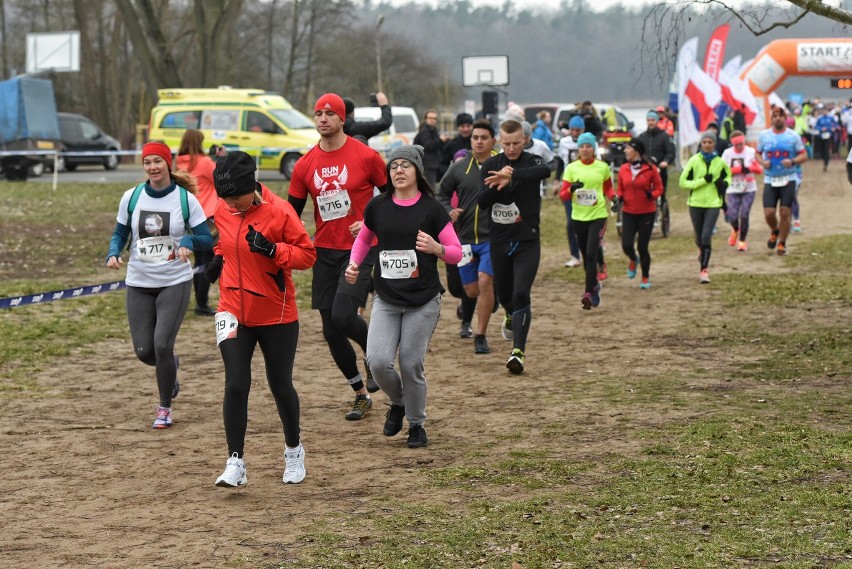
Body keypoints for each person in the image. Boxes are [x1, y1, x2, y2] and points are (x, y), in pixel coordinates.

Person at [206, 152, 317, 488]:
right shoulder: (223, 209)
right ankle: (235, 463)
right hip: (232, 309)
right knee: (236, 383)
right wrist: (216, 260)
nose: (230, 205)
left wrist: (273, 251)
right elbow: (226, 244)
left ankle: (293, 450)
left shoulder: (280, 211)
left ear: (251, 187)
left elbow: (307, 255)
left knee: (280, 384)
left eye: (235, 198)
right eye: (224, 199)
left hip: (276, 313)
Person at [345, 145, 462, 448]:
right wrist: (355, 263)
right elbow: (365, 239)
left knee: (410, 364)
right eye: (393, 165)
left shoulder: (432, 209)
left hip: (422, 301)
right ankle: (398, 402)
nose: (398, 170)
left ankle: (417, 425)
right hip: (386, 298)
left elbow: (457, 253)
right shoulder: (378, 206)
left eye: (405, 165)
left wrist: (437, 249)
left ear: (417, 172)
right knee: (379, 360)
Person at [288, 93, 387, 420]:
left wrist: (372, 222)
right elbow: (290, 211)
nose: (323, 118)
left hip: (360, 248)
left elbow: (392, 198)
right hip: (325, 251)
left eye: (330, 113)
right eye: (318, 113)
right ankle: (360, 393)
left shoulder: (366, 156)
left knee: (344, 316)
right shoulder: (304, 164)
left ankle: (373, 358)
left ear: (343, 118)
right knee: (330, 329)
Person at [105, 141, 213, 428]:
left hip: (174, 281)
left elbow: (206, 237)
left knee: (162, 344)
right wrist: (113, 251)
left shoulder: (184, 200)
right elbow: (120, 232)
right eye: (147, 162)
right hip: (139, 281)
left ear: (168, 163)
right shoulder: (132, 197)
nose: (152, 167)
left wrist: (188, 241)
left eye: (157, 161)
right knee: (145, 352)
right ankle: (171, 368)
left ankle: (164, 407)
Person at [478, 119, 550, 374]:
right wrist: (499, 186)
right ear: (499, 142)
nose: (511, 148)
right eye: (506, 144)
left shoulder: (531, 161)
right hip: (499, 241)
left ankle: (518, 351)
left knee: (521, 292)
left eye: (516, 143)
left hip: (527, 240)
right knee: (507, 295)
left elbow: (545, 172)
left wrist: (513, 175)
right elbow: (482, 201)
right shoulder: (490, 165)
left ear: (525, 141)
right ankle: (510, 314)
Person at [438, 119, 498, 355]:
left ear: (492, 140)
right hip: (463, 239)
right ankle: (493, 295)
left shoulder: (499, 165)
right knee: (471, 291)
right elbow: (440, 194)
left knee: (485, 281)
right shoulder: (459, 167)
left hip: (492, 238)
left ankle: (480, 336)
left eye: (484, 138)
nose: (479, 142)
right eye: (475, 138)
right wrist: (448, 211)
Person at [561, 132, 616, 308]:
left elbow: (608, 188)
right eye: (582, 146)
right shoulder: (571, 168)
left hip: (598, 215)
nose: (585, 149)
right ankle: (595, 286)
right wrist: (571, 189)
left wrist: (614, 199)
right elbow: (562, 194)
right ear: (578, 149)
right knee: (586, 256)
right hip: (578, 217)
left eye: (588, 146)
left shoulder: (602, 167)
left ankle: (588, 293)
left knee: (592, 253)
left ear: (593, 148)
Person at [175, 128, 219, 316]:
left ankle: (199, 299)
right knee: (206, 260)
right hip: (207, 217)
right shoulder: (205, 162)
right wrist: (220, 159)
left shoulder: (179, 162)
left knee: (197, 262)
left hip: (188, 217)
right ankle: (202, 302)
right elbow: (219, 178)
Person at [679, 130, 731, 283]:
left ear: (714, 144)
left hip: (713, 203)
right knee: (698, 237)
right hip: (695, 203)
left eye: (710, 142)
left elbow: (728, 176)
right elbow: (683, 183)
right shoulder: (694, 160)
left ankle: (704, 270)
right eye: (704, 142)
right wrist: (703, 181)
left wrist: (724, 183)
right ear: (701, 144)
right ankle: (701, 249)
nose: (707, 145)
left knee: (706, 236)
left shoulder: (720, 162)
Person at [755, 106, 807, 256]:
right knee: (769, 213)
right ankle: (775, 230)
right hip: (770, 179)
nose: (778, 118)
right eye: (775, 116)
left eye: (780, 116)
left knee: (785, 212)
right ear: (771, 119)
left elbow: (803, 155)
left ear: (785, 119)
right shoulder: (764, 135)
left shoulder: (793, 136)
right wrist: (762, 162)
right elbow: (757, 154)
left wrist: (792, 161)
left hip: (788, 179)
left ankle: (782, 243)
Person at [615, 138, 663, 289]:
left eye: (627, 148)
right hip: (628, 212)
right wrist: (620, 197)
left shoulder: (650, 169)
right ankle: (633, 259)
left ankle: (645, 276)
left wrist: (652, 195)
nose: (625, 151)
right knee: (626, 244)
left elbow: (659, 188)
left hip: (647, 212)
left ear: (636, 151)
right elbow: (620, 187)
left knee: (643, 247)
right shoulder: (623, 168)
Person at [720, 130, 763, 252]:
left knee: (744, 215)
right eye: (736, 144)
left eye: (741, 143)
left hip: (748, 188)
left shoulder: (751, 152)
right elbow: (722, 171)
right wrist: (738, 169)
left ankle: (742, 240)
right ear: (732, 144)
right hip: (733, 188)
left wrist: (749, 168)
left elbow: (759, 170)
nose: (739, 146)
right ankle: (735, 229)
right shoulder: (727, 154)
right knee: (732, 215)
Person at [637, 110, 676, 206]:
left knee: (661, 191)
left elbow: (671, 152)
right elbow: (636, 152)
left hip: (659, 169)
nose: (651, 122)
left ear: (657, 121)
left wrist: (666, 161)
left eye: (653, 120)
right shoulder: (642, 137)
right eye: (649, 120)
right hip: (644, 170)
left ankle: (662, 205)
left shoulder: (664, 136)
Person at [412, 109, 447, 184]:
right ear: (426, 119)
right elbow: (429, 146)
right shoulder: (425, 131)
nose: (432, 120)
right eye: (430, 118)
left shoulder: (433, 130)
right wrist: (440, 140)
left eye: (434, 118)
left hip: (432, 165)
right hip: (427, 166)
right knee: (430, 190)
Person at [440, 113, 474, 178]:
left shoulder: (478, 142)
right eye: (463, 126)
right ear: (458, 127)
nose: (466, 129)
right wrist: (453, 172)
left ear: (472, 126)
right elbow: (442, 164)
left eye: (468, 126)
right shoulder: (452, 144)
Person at [813, 104, 835, 172]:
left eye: (825, 111)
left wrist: (833, 128)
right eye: (823, 111)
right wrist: (821, 129)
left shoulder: (831, 118)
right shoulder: (819, 118)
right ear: (821, 111)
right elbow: (816, 126)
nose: (824, 112)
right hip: (821, 136)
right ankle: (824, 159)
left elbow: (835, 124)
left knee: (826, 150)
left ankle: (826, 163)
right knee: (822, 150)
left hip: (828, 136)